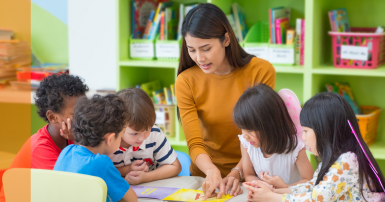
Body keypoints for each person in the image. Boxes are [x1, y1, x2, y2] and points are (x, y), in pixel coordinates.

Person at [175, 3, 275, 199]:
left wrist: (237, 172)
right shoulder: (185, 81)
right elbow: (194, 143)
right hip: (205, 177)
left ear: (226, 39)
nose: (199, 58)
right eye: (191, 50)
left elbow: (260, 135)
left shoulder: (261, 71)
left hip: (252, 174)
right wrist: (212, 172)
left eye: (206, 48)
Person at [243, 92, 385, 201]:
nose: (303, 137)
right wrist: (273, 191)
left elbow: (315, 199)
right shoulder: (335, 158)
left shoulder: (348, 161)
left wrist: (271, 197)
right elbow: (313, 186)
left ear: (325, 131)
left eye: (305, 131)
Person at [0, 74, 88, 202]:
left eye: (86, 110)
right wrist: (78, 141)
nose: (85, 118)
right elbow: (70, 186)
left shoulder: (70, 135)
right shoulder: (40, 148)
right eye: (76, 114)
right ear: (53, 117)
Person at [54, 95, 137, 202]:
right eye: (121, 136)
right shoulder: (101, 163)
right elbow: (132, 199)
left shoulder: (67, 151)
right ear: (110, 139)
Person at [233, 84, 313, 189]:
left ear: (269, 125)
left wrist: (283, 188)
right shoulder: (246, 143)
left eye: (249, 130)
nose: (244, 135)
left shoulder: (295, 147)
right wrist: (265, 187)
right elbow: (249, 175)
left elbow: (310, 181)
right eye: (242, 128)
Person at [109, 88, 181, 185]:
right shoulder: (108, 140)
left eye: (147, 129)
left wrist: (146, 177)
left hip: (150, 188)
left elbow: (175, 166)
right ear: (118, 126)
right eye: (134, 133)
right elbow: (98, 171)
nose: (142, 138)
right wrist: (127, 169)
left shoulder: (154, 134)